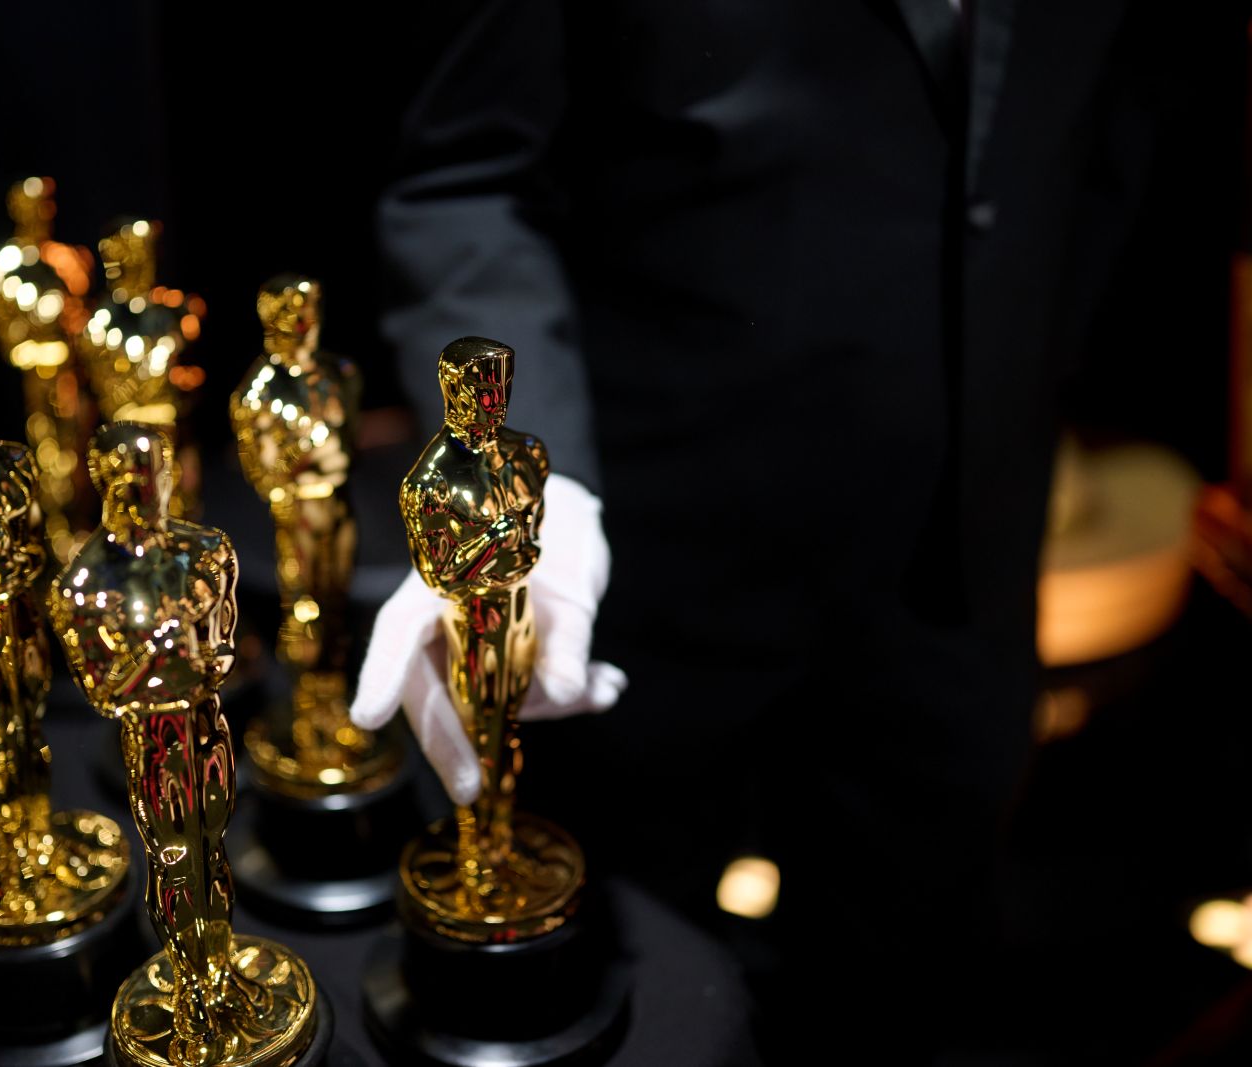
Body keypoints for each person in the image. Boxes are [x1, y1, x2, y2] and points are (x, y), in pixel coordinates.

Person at [348, 0, 1196, 1059]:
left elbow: (1126, 92)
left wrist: (1031, 365)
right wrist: (529, 483)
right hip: (643, 577)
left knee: (907, 1001)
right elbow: (464, 178)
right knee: (632, 1015)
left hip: (960, 553)